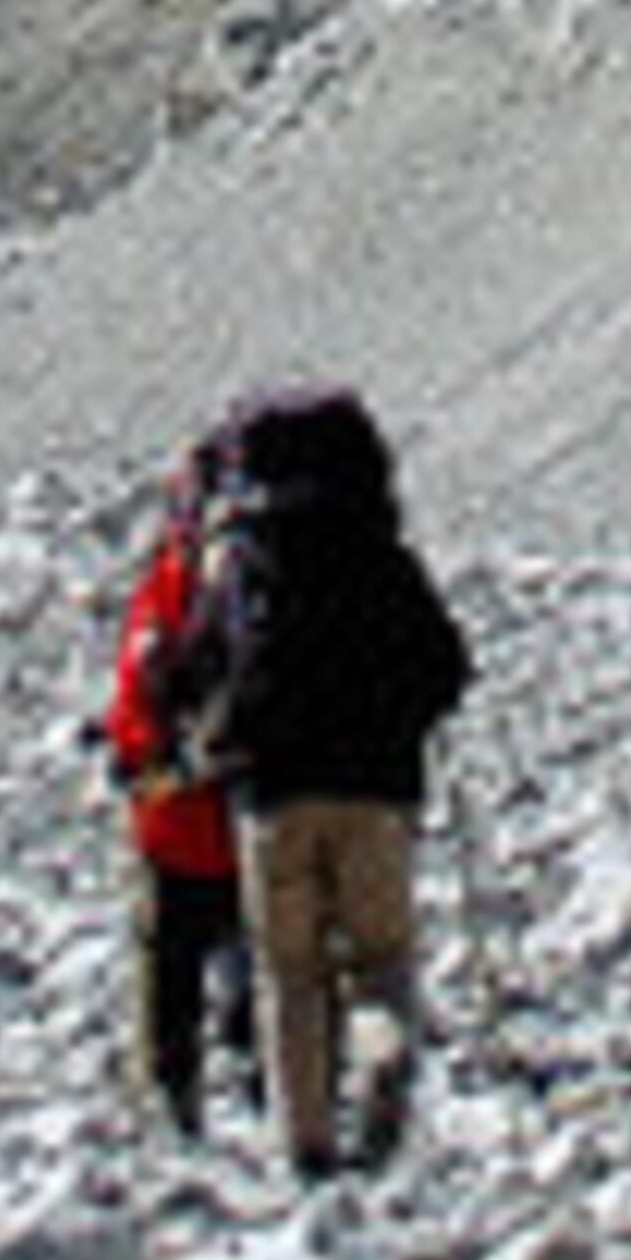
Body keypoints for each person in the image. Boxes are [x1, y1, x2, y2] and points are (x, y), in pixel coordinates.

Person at [160, 383, 470, 1179]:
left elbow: (194, 665)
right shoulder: (382, 551)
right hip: (377, 786)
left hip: (271, 792)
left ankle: (304, 1145)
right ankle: (383, 1059)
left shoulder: (242, 558)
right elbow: (445, 665)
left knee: (287, 973)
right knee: (381, 958)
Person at [105, 433, 260, 1138]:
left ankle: (176, 1093)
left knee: (170, 958)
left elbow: (139, 688)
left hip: (177, 809)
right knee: (264, 947)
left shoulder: (173, 579)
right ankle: (277, 1079)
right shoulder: (278, 571)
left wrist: (132, 756)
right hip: (263, 803)